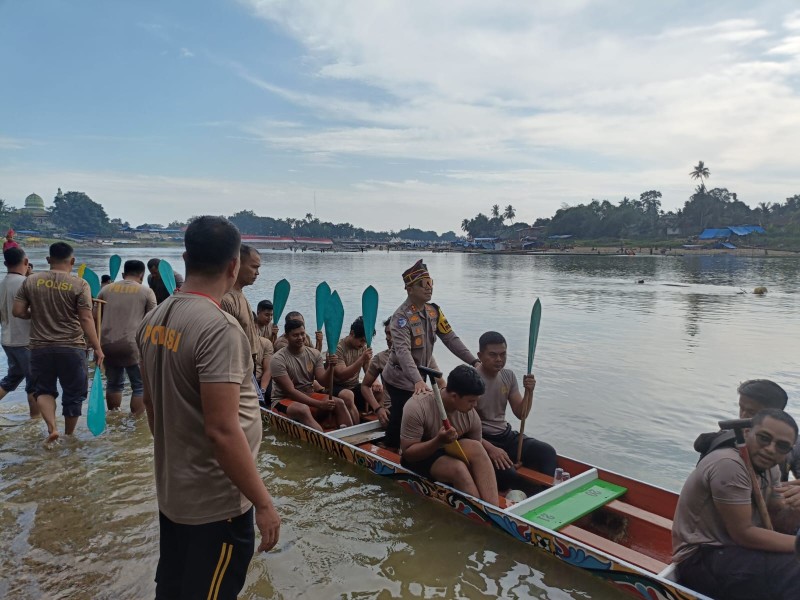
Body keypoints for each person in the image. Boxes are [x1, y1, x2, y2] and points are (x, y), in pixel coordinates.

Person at [137, 216, 280, 599]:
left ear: (185, 257)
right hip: (217, 505)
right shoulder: (218, 328)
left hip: (175, 492)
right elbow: (222, 429)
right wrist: (263, 503)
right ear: (233, 266)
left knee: (175, 587)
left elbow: (152, 404)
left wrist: (181, 460)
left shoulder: (153, 319)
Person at [672, 409, 800, 599]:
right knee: (794, 572)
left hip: (735, 551)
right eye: (764, 438)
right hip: (700, 556)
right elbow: (744, 534)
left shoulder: (771, 467)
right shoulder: (729, 465)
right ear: (747, 433)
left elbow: (779, 520)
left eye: (781, 446)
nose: (771, 449)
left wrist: (796, 507)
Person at [382, 259, 479, 447]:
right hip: (399, 377)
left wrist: (474, 361)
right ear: (409, 289)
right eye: (423, 285)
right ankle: (392, 450)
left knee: (421, 413)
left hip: (420, 377)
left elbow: (451, 338)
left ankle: (425, 444)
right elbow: (403, 352)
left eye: (430, 284)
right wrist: (417, 380)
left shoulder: (434, 312)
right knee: (402, 415)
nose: (429, 289)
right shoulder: (400, 318)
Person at [13, 242, 104, 443]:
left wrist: (36, 314)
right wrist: (97, 347)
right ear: (72, 261)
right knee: (73, 394)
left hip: (39, 347)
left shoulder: (31, 281)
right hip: (71, 347)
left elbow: (18, 311)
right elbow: (86, 319)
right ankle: (69, 436)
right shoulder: (80, 284)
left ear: (48, 260)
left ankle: (52, 428)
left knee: (44, 390)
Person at [400, 365, 498, 505]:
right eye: (471, 401)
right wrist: (438, 441)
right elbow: (408, 453)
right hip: (419, 456)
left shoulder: (471, 416)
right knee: (458, 469)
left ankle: (492, 509)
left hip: (447, 448)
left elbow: (476, 449)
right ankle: (477, 515)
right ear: (454, 396)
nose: (475, 405)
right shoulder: (416, 407)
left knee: (477, 447)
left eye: (476, 400)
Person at [475, 331, 557, 495]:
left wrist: (529, 391)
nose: (499, 359)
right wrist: (490, 449)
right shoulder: (473, 380)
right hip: (482, 438)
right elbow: (464, 428)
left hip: (506, 435)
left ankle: (544, 494)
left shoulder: (508, 376)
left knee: (547, 451)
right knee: (508, 474)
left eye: (503, 354)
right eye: (493, 355)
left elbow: (522, 414)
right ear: (480, 355)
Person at [270, 319, 353, 431]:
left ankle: (349, 438)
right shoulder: (277, 359)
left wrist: (330, 366)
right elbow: (291, 392)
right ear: (286, 336)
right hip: (282, 400)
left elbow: (323, 381)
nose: (300, 338)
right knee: (303, 409)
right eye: (295, 335)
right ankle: (324, 439)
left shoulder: (314, 354)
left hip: (308, 394)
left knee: (339, 402)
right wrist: (319, 404)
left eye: (302, 334)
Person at [96, 260, 156, 415]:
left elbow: (95, 317)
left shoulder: (106, 289)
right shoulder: (146, 292)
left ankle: (114, 417)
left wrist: (95, 343)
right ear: (142, 275)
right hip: (133, 345)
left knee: (114, 384)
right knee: (139, 385)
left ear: (123, 274)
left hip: (107, 343)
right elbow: (153, 320)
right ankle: (136, 422)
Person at [0, 248, 38, 417]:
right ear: (26, 262)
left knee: (12, 379)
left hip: (7, 339)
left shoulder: (2, 284)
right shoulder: (27, 283)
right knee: (34, 384)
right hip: (25, 340)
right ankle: (35, 421)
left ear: (5, 264)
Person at [220, 244, 262, 369]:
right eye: (254, 267)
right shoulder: (227, 299)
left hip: (248, 364)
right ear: (236, 264)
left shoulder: (240, 294)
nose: (257, 273)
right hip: (237, 367)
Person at [333, 316, 373, 413]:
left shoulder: (363, 347)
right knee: (348, 395)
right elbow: (341, 375)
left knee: (380, 391)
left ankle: (380, 419)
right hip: (337, 386)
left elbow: (369, 370)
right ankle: (355, 426)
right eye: (361, 340)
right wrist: (361, 359)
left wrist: (375, 382)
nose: (363, 345)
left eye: (365, 341)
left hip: (354, 386)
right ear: (352, 333)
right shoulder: (338, 348)